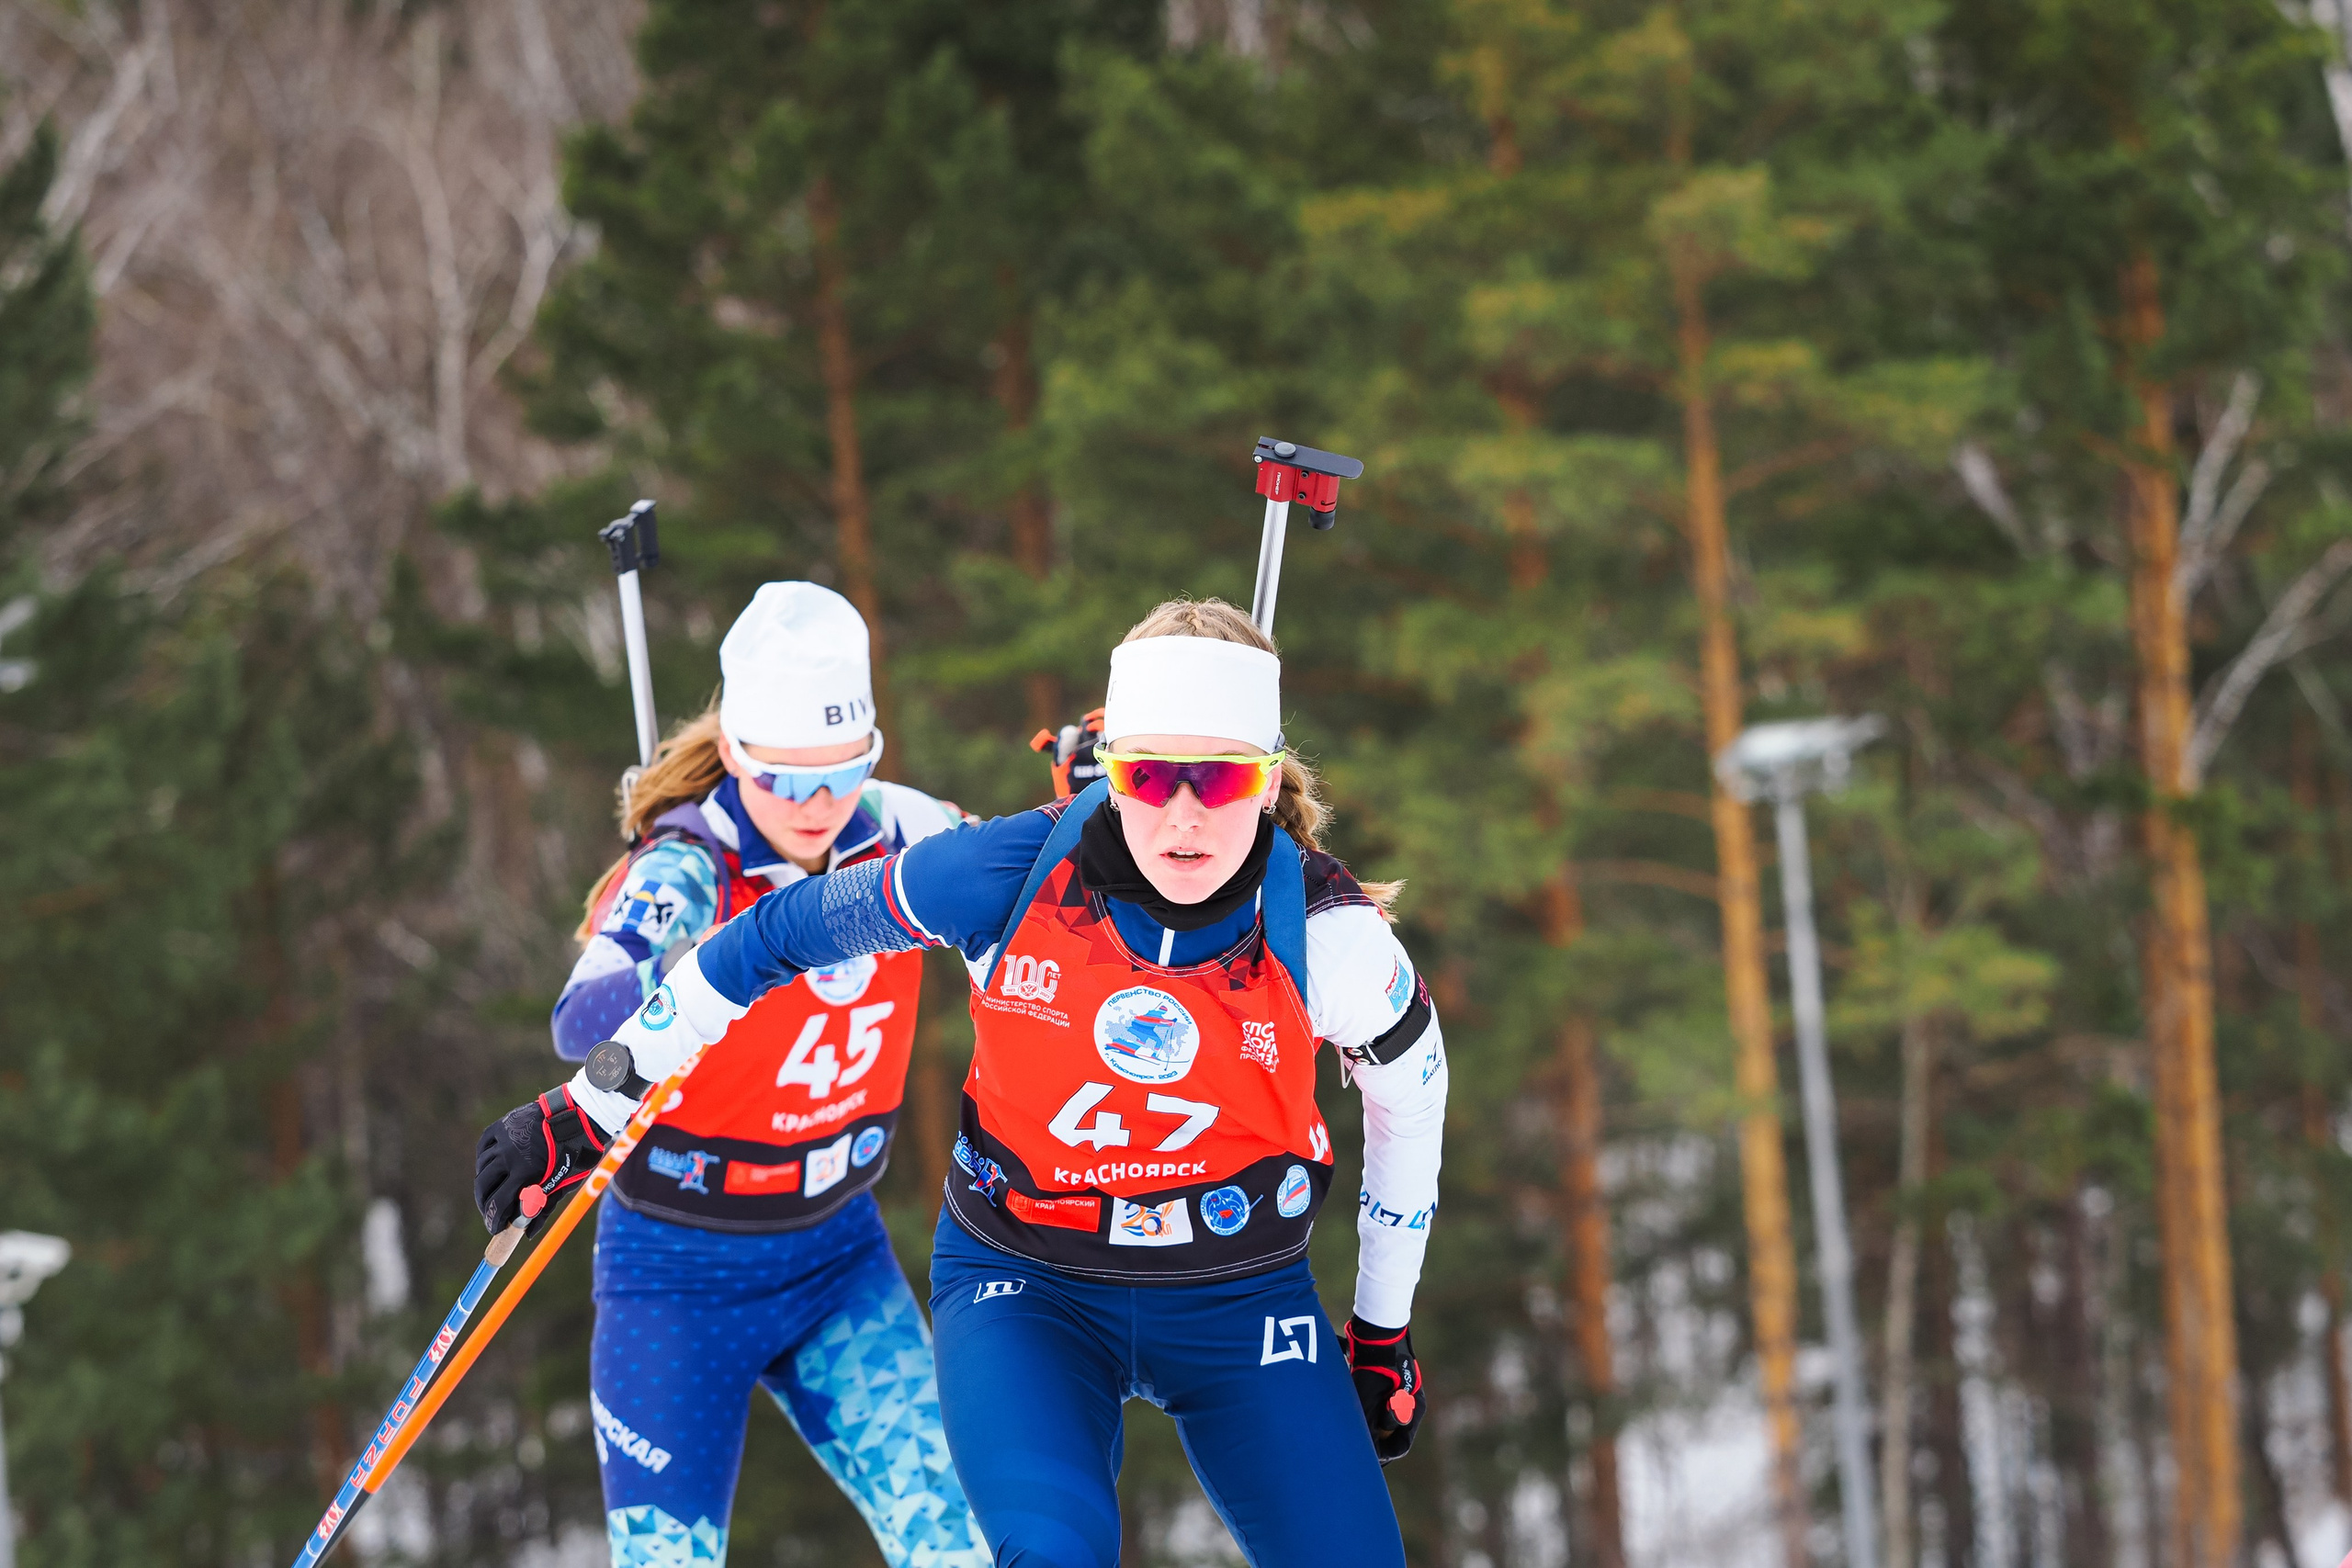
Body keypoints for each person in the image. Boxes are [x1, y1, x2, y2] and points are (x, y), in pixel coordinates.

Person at [480, 598, 1449, 1568]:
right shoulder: (1005, 874)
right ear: (1113, 770)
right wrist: (586, 1105)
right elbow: (768, 940)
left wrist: (1381, 1326)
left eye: (1223, 778)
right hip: (1029, 1285)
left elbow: (1410, 1103)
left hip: (1239, 1290)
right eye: (1151, 776)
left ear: (1270, 776)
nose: (1184, 814)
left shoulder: (1332, 937)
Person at [482, 581, 988, 1568]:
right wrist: (682, 953)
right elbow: (579, 1019)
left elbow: (1035, 877)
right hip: (672, 1273)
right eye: (783, 782)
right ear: (737, 759)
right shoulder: (688, 865)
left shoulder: (899, 828)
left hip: (835, 1257)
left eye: (842, 774)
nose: (815, 808)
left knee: (957, 1543)